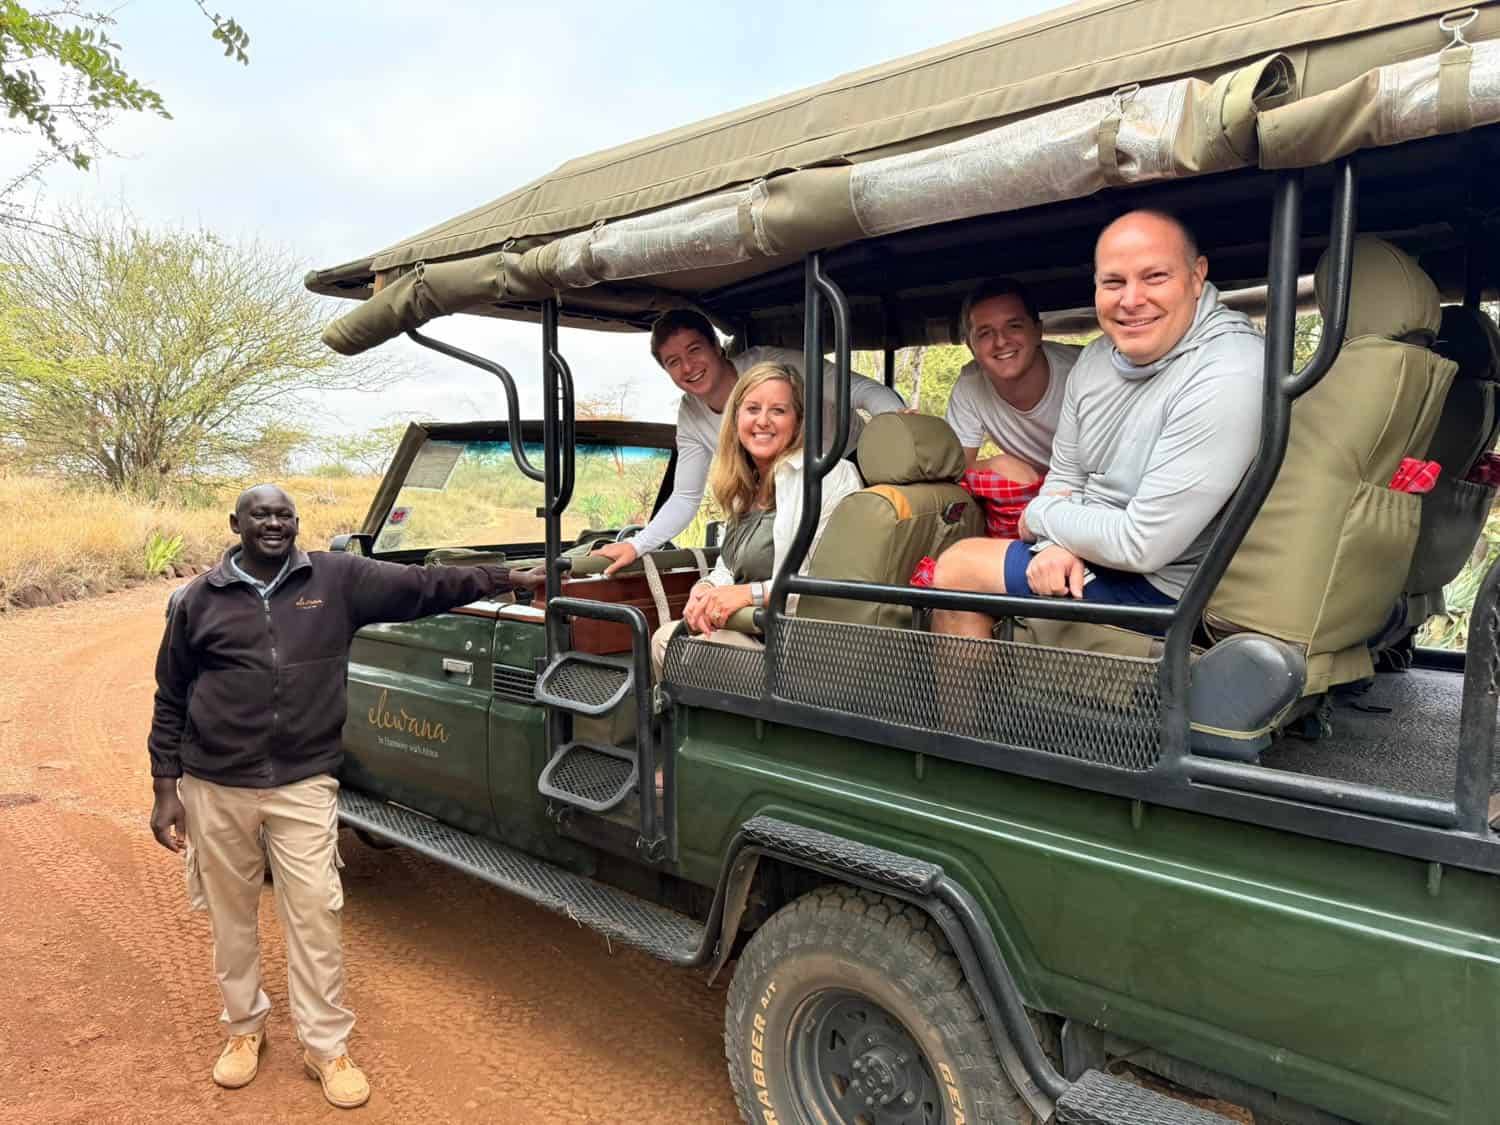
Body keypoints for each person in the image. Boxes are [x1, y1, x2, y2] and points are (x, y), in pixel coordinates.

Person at [147, 484, 513, 1109]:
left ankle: (326, 1046)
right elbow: (171, 694)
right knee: (231, 915)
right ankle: (244, 1030)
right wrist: (165, 788)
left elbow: (423, 587)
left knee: (315, 911)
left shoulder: (336, 579)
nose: (274, 523)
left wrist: (505, 577)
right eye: (260, 514)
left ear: (296, 523)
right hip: (215, 782)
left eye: (284, 514)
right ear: (235, 523)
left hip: (303, 781)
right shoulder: (198, 600)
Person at [931, 210, 1264, 638]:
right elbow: (1066, 474)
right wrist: (1055, 544)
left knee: (960, 566)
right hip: (1098, 551)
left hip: (1173, 589)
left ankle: (964, 710)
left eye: (1155, 276)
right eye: (1113, 282)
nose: (1131, 300)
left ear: (1197, 276)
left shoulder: (1229, 370)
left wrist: (1041, 515)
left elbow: (1141, 544)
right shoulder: (1094, 361)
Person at [594, 309, 904, 576]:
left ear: (717, 346)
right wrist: (636, 545)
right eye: (673, 361)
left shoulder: (774, 366)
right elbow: (686, 497)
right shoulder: (691, 414)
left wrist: (901, 426)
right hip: (776, 486)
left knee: (829, 563)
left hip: (847, 460)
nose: (687, 367)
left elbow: (863, 391)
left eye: (694, 350)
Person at [650, 362, 862, 673]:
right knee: (666, 637)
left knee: (677, 643)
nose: (763, 421)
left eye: (778, 410)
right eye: (752, 409)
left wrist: (749, 595)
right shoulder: (744, 485)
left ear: (798, 420)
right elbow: (730, 566)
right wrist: (708, 587)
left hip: (797, 649)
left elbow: (823, 582)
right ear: (736, 418)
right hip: (754, 632)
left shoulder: (827, 476)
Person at [945, 277, 1082, 481]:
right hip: (1041, 493)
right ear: (971, 347)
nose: (1001, 341)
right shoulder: (970, 385)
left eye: (1014, 326)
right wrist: (995, 465)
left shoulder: (1084, 373)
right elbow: (956, 470)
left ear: (1037, 332)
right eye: (985, 333)